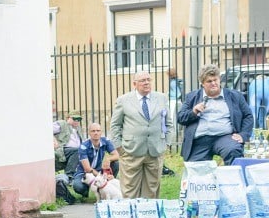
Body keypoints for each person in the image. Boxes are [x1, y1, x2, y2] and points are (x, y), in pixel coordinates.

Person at [109, 71, 172, 199]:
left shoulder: (161, 98)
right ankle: (130, 217)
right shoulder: (123, 100)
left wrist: (167, 143)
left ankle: (148, 217)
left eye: (149, 79)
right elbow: (115, 125)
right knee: (129, 190)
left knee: (152, 190)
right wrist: (119, 147)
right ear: (134, 84)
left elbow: (168, 123)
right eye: (143, 80)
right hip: (130, 151)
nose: (146, 82)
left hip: (155, 151)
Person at [177, 64, 254, 166]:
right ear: (202, 83)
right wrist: (194, 112)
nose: (213, 83)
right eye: (209, 81)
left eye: (215, 80)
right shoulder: (192, 97)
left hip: (225, 137)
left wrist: (243, 135)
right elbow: (180, 117)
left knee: (233, 150)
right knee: (196, 170)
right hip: (200, 140)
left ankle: (233, 180)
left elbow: (248, 116)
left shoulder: (235, 96)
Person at [70, 122, 120, 199]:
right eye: (93, 131)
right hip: (84, 173)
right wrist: (102, 178)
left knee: (116, 163)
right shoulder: (83, 146)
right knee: (78, 186)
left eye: (98, 130)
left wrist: (108, 159)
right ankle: (87, 190)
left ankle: (107, 185)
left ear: (101, 132)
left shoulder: (105, 141)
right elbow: (88, 169)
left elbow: (117, 155)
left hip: (98, 170)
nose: (96, 133)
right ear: (89, 133)